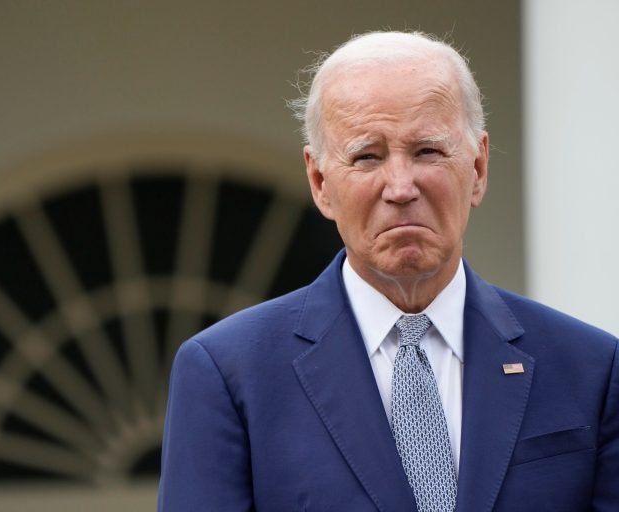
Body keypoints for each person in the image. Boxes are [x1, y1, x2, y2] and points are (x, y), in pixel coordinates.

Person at [157, 31, 619, 511]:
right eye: (367, 157)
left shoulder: (590, 368)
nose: (400, 187)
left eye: (427, 151)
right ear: (319, 182)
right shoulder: (230, 374)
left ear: (478, 168)